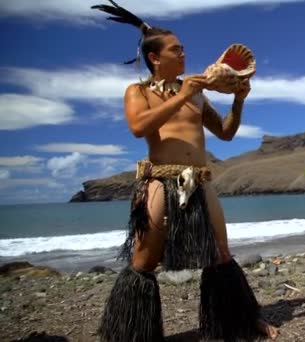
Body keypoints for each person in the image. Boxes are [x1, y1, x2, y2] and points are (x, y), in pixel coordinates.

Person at [91, 1, 279, 341]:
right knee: (144, 261)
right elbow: (138, 126)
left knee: (222, 254)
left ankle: (239, 322)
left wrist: (239, 99)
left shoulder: (195, 95)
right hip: (160, 180)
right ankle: (134, 334)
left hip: (201, 180)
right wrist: (182, 96)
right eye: (176, 50)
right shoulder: (139, 91)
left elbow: (226, 132)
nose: (184, 55)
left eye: (184, 49)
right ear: (155, 58)